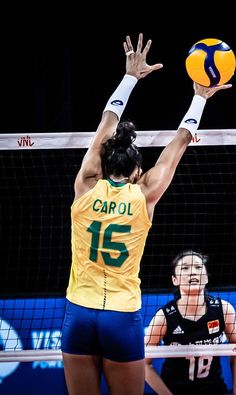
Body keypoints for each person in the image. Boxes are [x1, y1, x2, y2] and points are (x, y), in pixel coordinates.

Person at [61, 32, 232, 395]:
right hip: (121, 317)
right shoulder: (145, 195)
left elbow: (106, 123)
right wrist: (200, 98)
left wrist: (129, 77)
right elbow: (180, 142)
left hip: (79, 313)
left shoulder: (85, 185)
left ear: (103, 164)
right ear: (139, 171)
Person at [145, 250, 236, 395]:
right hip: (174, 390)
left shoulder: (224, 309)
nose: (193, 272)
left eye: (198, 267)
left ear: (206, 277)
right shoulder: (163, 317)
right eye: (185, 268)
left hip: (215, 390)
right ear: (175, 280)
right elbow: (144, 364)